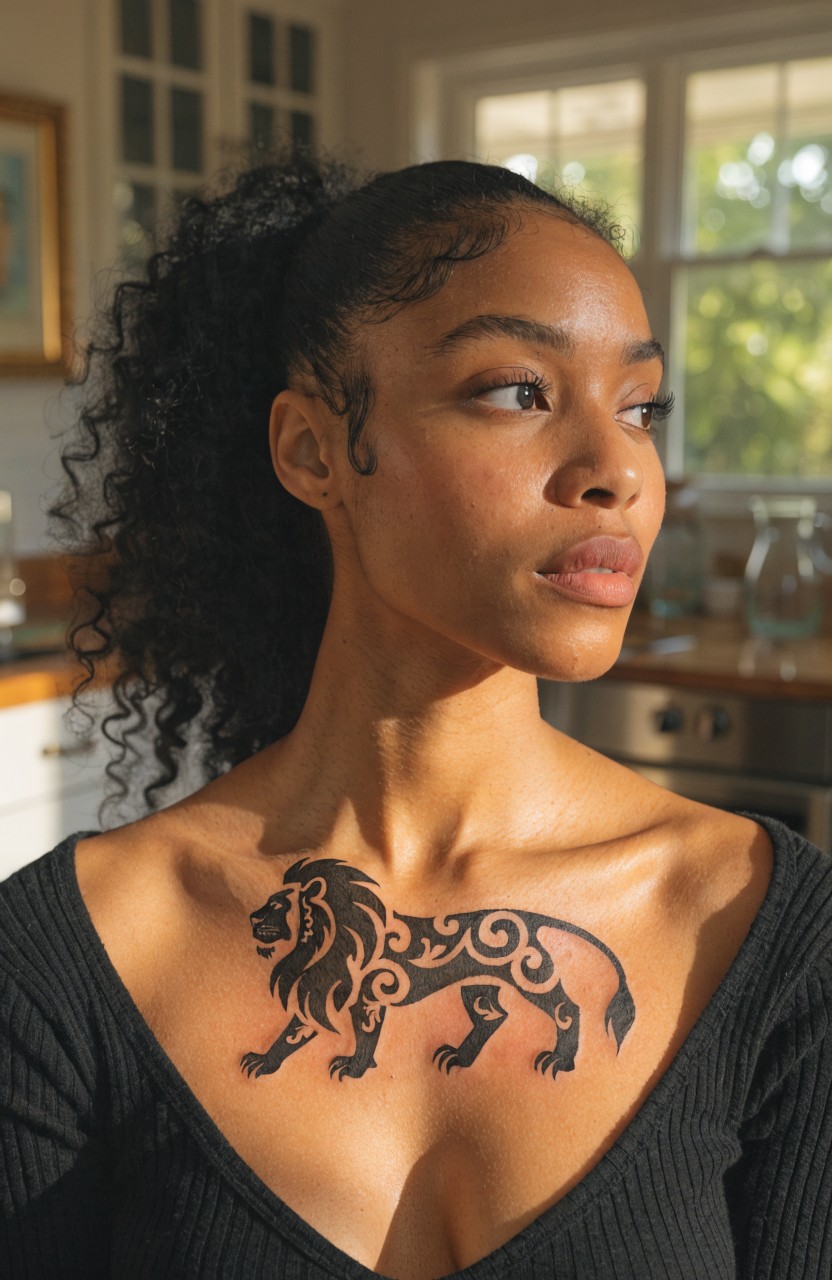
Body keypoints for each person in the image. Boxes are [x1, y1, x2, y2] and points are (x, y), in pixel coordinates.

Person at [1, 152, 830, 1280]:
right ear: (315, 449)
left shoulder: (765, 934)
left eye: (639, 406)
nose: (616, 469)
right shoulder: (71, 955)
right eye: (516, 390)